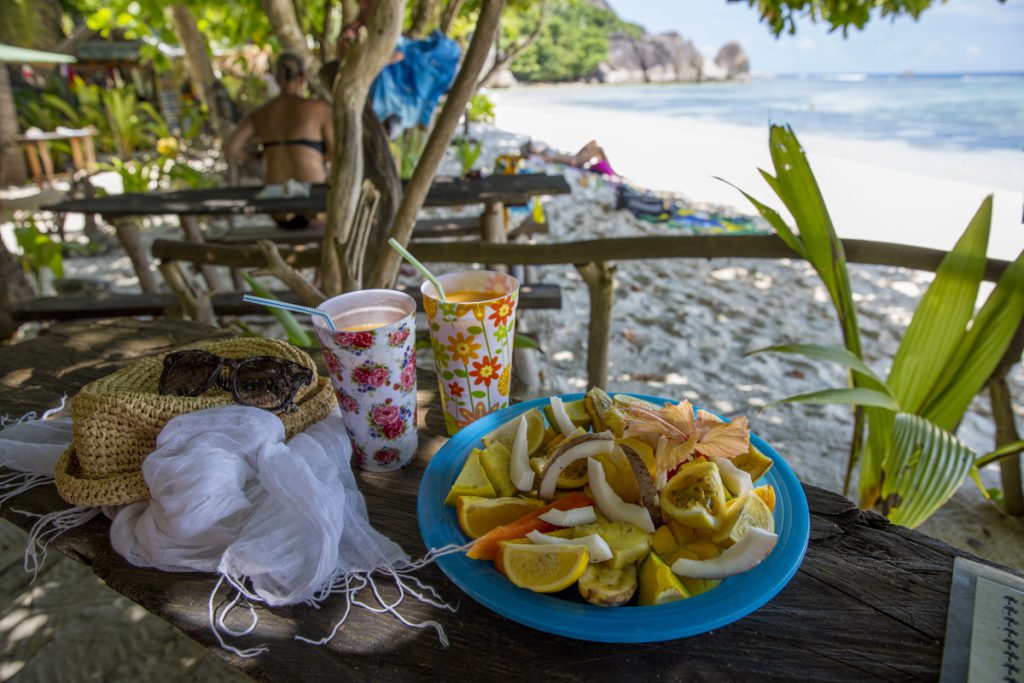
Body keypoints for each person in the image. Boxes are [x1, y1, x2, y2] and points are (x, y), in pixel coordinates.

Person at [225, 53, 332, 227]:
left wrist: (260, 156)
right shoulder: (319, 109)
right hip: (312, 201)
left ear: (276, 79)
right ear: (302, 78)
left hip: (277, 206)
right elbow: (336, 155)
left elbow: (232, 149)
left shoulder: (260, 114)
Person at [521, 139, 617, 177]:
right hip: (574, 161)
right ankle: (611, 171)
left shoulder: (542, 153)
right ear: (530, 151)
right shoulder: (541, 157)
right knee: (598, 149)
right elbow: (552, 159)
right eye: (532, 147)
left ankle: (610, 169)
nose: (534, 147)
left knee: (594, 143)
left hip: (573, 157)